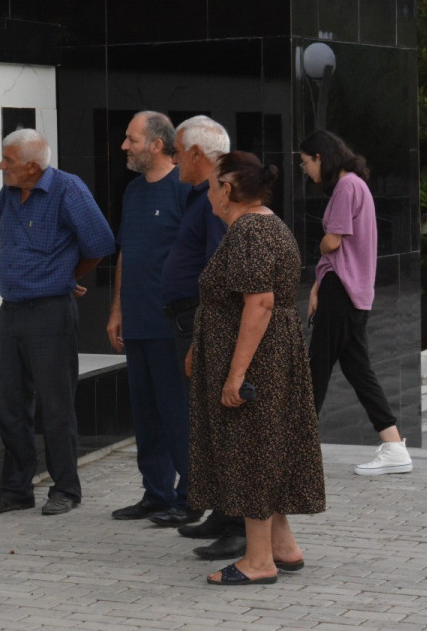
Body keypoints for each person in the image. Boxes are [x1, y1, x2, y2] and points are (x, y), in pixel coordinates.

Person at [187, 151, 325, 585]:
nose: (208, 192)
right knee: (266, 448)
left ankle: (258, 561)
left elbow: (260, 302)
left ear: (227, 190)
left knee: (250, 451)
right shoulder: (265, 224)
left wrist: (235, 374)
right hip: (271, 355)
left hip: (257, 361)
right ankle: (282, 546)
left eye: (211, 184)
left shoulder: (250, 231)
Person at [0, 129, 115, 517]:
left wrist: (67, 275)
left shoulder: (67, 190)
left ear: (33, 167)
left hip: (51, 312)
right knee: (10, 404)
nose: (1, 166)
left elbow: (100, 244)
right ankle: (16, 490)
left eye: (8, 160)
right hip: (13, 311)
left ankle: (66, 489)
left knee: (55, 406)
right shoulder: (7, 193)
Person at [148, 116, 246, 560]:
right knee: (206, 424)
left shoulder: (220, 198)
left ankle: (240, 526)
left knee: (221, 425)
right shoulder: (202, 196)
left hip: (200, 319)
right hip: (189, 318)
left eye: (177, 151)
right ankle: (224, 514)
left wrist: (203, 338)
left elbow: (222, 269)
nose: (172, 158)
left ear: (195, 155)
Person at [299, 129, 413, 476]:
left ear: (320, 157)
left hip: (343, 289)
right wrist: (319, 283)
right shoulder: (355, 185)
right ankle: (393, 445)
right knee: (357, 368)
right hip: (349, 289)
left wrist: (320, 254)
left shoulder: (347, 187)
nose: (305, 170)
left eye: (306, 162)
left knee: (317, 366)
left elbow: (332, 243)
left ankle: (295, 450)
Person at [106, 112, 196, 525]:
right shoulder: (132, 192)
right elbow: (126, 251)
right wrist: (117, 309)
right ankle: (156, 492)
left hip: (171, 325)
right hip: (137, 320)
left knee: (177, 412)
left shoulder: (186, 189)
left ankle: (191, 494)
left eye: (131, 139)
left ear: (157, 145)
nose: (124, 146)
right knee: (144, 414)